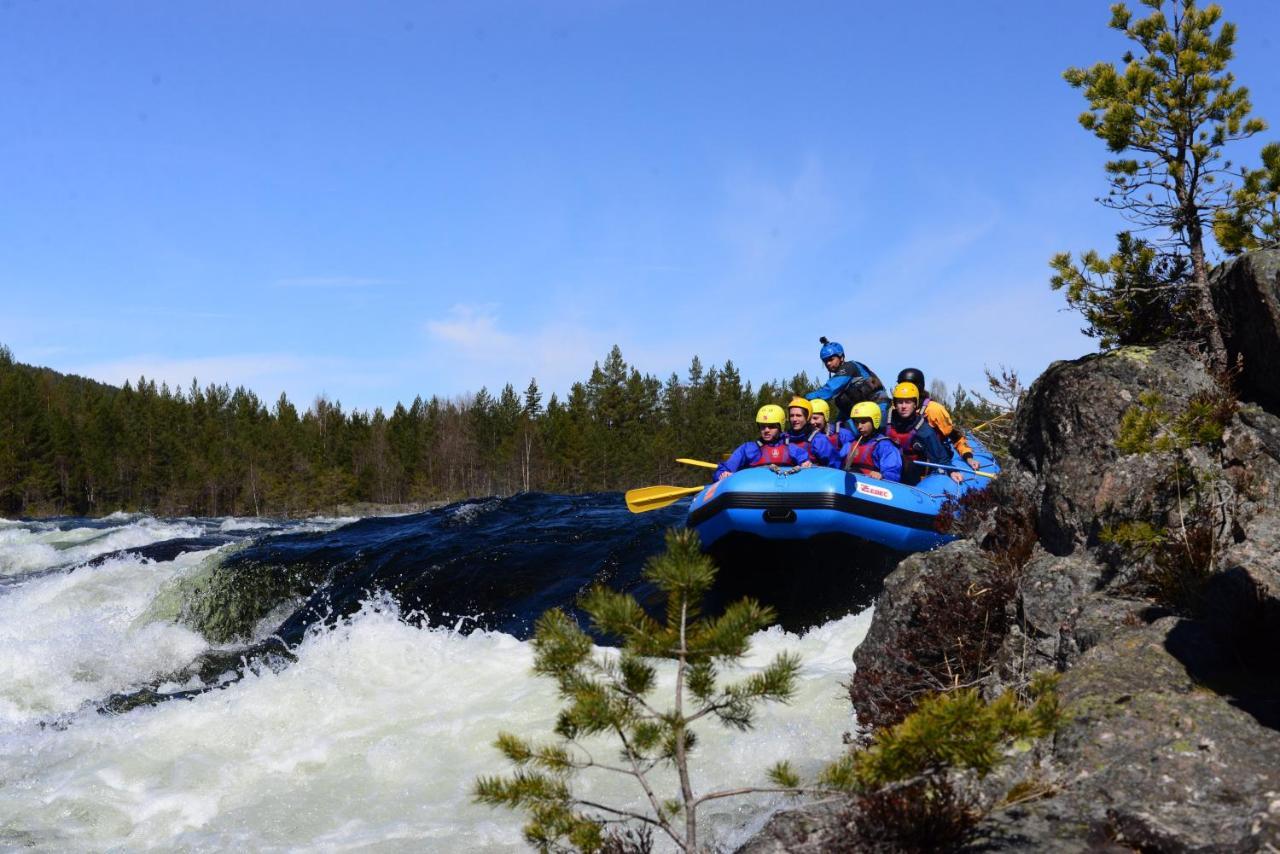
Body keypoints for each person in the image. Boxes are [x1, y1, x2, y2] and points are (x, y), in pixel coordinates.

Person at [896, 367, 982, 473]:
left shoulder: (934, 410)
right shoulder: (897, 409)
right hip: (907, 462)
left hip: (932, 460)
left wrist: (968, 457)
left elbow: (955, 436)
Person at [885, 382, 963, 485]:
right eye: (900, 402)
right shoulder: (885, 421)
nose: (903, 406)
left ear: (915, 404)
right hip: (886, 468)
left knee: (906, 463)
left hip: (911, 474)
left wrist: (952, 471)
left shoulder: (924, 431)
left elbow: (940, 457)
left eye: (908, 402)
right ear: (895, 404)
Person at [714, 404, 812, 481]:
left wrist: (806, 464)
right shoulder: (748, 449)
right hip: (756, 494)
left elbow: (805, 464)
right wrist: (723, 474)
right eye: (762, 426)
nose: (766, 430)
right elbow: (725, 468)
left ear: (780, 427)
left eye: (771, 426)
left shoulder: (791, 449)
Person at [806, 337, 890, 425]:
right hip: (863, 412)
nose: (828, 363)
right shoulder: (842, 378)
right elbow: (845, 408)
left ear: (841, 357)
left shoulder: (849, 368)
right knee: (835, 431)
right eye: (825, 361)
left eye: (831, 359)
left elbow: (829, 390)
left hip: (878, 408)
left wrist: (805, 399)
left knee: (843, 432)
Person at [840, 401, 902, 482]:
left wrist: (882, 476)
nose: (859, 426)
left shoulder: (884, 445)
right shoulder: (851, 444)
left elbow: (893, 474)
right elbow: (837, 464)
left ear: (874, 421)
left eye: (863, 422)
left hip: (874, 486)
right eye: (856, 422)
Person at [783, 396, 841, 467]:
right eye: (792, 416)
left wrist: (813, 467)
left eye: (798, 415)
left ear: (807, 417)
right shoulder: (784, 438)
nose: (794, 419)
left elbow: (834, 466)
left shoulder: (819, 440)